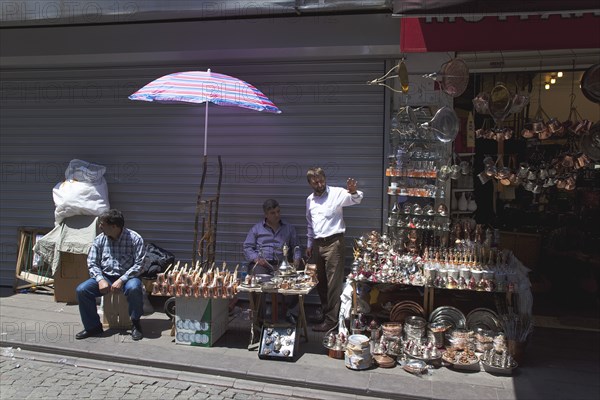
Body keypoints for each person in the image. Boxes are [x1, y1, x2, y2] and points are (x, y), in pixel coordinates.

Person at [305, 167, 363, 332]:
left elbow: (357, 199)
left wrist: (353, 191)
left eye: (321, 180)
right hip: (317, 244)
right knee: (320, 282)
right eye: (315, 182)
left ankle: (331, 321)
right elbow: (310, 224)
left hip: (334, 243)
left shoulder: (336, 193)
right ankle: (325, 313)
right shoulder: (309, 200)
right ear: (310, 183)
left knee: (333, 283)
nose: (319, 184)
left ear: (325, 179)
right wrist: (309, 245)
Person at [75, 209, 146, 340]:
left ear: (114, 226)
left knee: (135, 288)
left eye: (102, 224)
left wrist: (122, 279)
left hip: (127, 277)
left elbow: (140, 265)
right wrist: (100, 279)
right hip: (106, 276)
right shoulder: (99, 240)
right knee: (82, 290)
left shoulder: (135, 239)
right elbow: (92, 262)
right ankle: (93, 327)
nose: (100, 226)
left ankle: (135, 323)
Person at [243, 199, 302, 324]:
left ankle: (291, 313)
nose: (277, 215)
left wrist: (296, 260)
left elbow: (297, 246)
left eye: (278, 212)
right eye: (272, 213)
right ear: (266, 214)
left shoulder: (289, 228)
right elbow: (247, 247)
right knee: (258, 285)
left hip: (282, 265)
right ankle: (260, 319)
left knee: (298, 283)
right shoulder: (257, 229)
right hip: (262, 264)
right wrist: (256, 259)